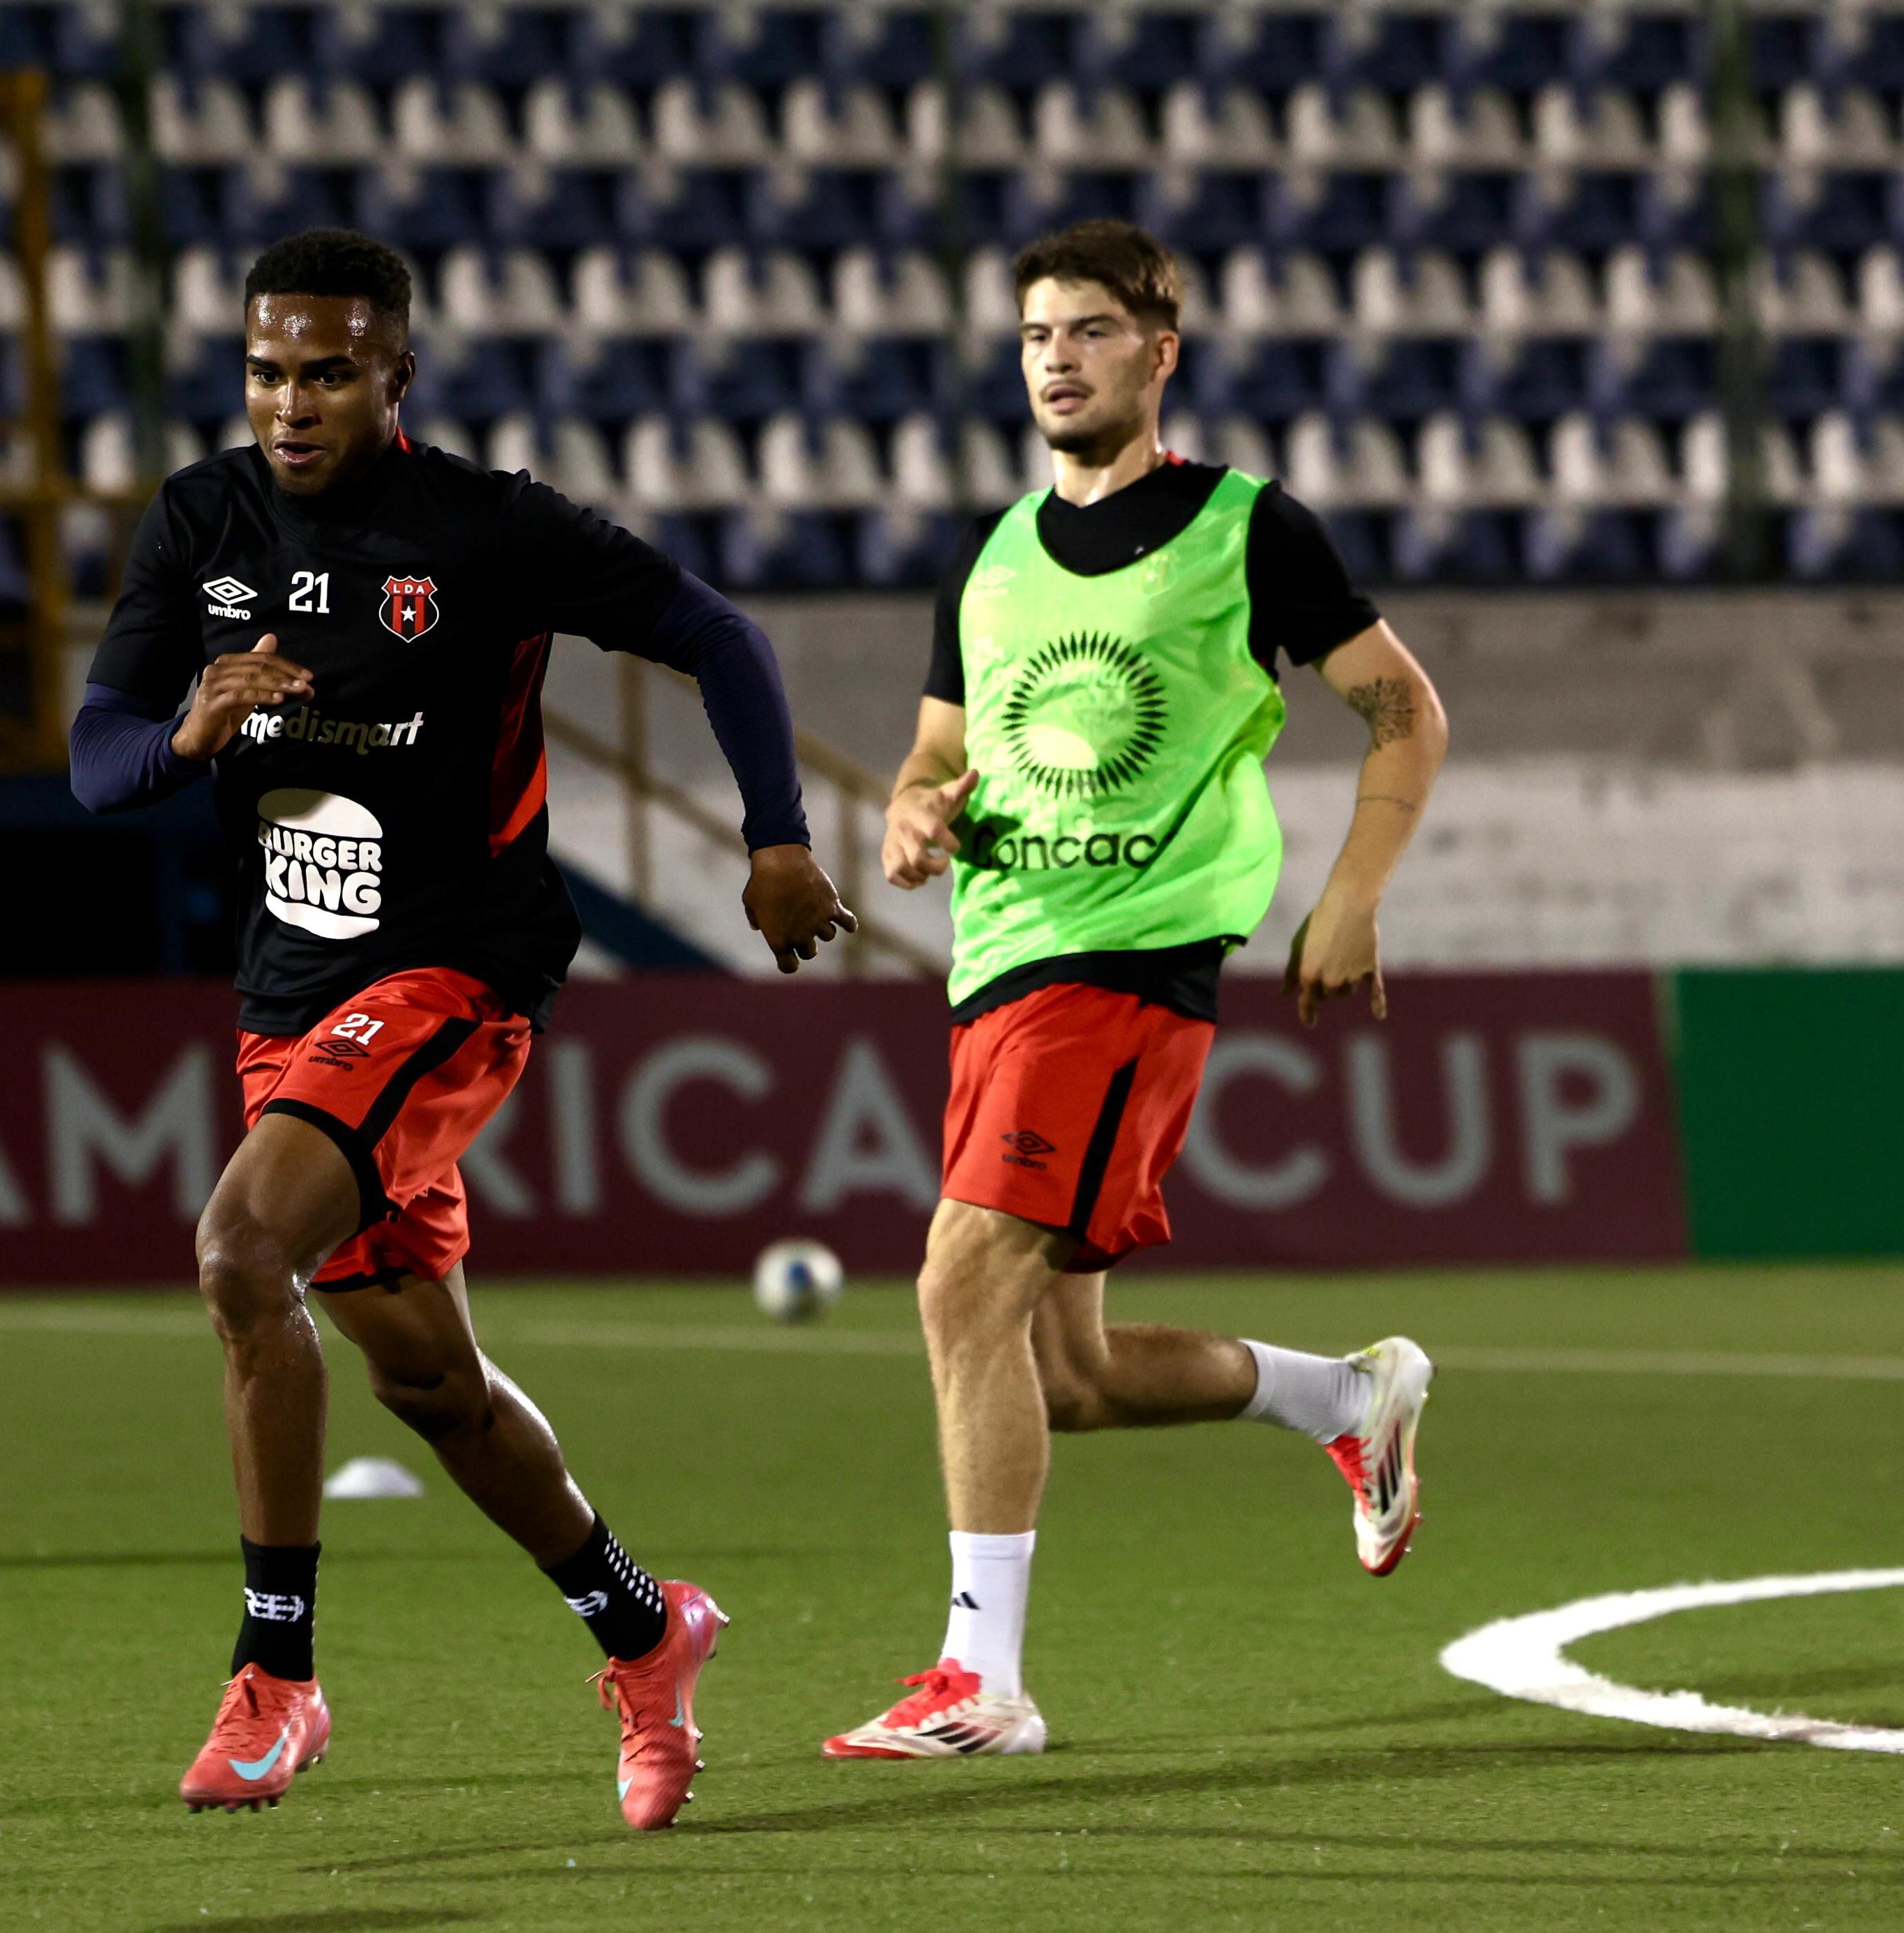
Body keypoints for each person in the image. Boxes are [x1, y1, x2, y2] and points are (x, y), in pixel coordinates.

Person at [70, 228, 856, 1824]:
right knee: (428, 1384)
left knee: (239, 1255)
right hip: (291, 995)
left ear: (395, 376)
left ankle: (275, 1677)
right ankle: (646, 1628)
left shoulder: (485, 529)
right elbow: (93, 759)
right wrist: (185, 729)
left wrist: (772, 836)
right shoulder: (199, 521)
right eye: (267, 370)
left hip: (453, 977)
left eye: (330, 371)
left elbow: (720, 636)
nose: (291, 402)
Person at [825, 220, 1452, 1762]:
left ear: (1157, 353)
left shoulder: (1247, 529)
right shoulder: (988, 558)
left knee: (957, 1280)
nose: (1056, 356)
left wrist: (1351, 895)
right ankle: (1345, 1396)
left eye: (1091, 330)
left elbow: (1405, 712)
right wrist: (914, 807)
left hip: (1127, 962)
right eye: (1037, 332)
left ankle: (983, 1682)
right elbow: (933, 752)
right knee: (1071, 1375)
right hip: (999, 961)